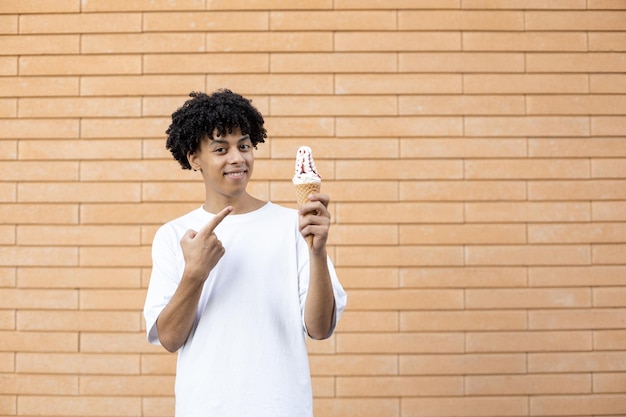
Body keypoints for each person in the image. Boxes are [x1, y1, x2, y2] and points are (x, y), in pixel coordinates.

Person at [143, 89, 347, 417]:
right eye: (221, 149)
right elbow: (169, 338)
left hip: (282, 408)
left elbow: (320, 329)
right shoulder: (173, 236)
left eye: (245, 145)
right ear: (194, 157)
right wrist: (195, 272)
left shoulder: (291, 226)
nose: (237, 158)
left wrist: (318, 252)